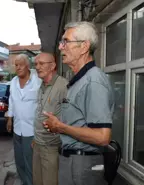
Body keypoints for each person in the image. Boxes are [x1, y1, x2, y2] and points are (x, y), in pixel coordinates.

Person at [43, 21, 114, 185]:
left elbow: (102, 137)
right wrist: (57, 125)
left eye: (66, 41)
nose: (61, 47)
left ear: (84, 47)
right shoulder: (79, 80)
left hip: (83, 165)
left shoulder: (94, 81)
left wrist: (61, 127)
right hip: (72, 161)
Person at [32, 52, 68, 185]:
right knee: (37, 181)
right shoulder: (42, 85)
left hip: (51, 147)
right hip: (38, 144)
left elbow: (70, 118)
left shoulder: (63, 86)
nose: (37, 67)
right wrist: (35, 139)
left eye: (41, 63)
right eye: (36, 64)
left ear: (52, 66)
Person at [7, 54, 42, 185]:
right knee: (19, 161)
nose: (18, 67)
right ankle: (23, 182)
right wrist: (9, 118)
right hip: (17, 128)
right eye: (16, 65)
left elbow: (42, 104)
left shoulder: (37, 80)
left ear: (27, 66)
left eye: (20, 65)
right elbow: (12, 100)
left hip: (31, 130)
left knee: (30, 163)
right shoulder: (14, 81)